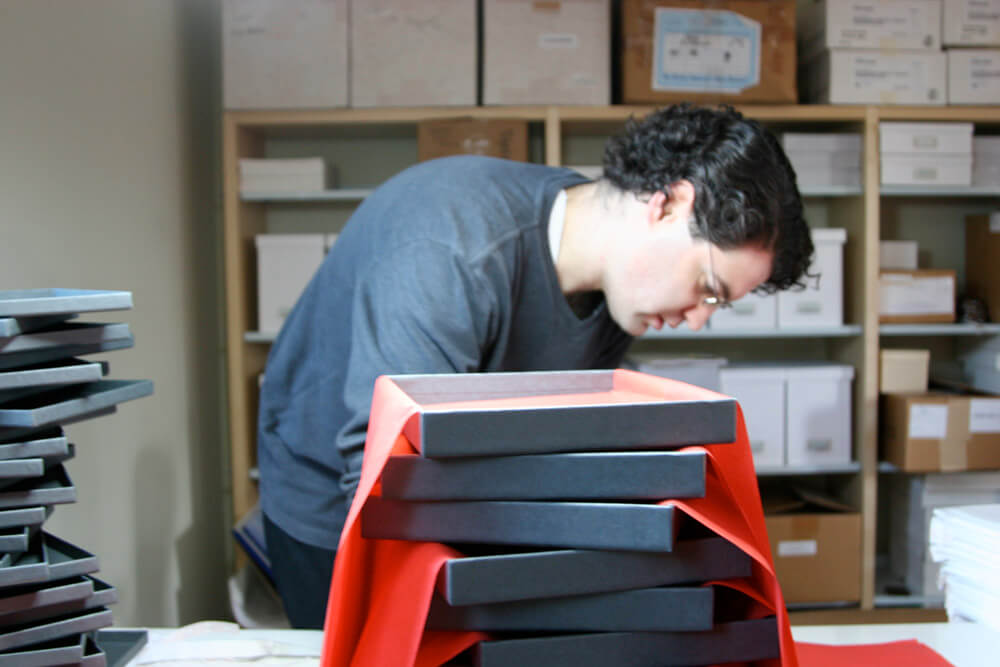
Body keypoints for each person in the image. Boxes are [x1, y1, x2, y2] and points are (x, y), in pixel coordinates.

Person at [256, 103, 814, 628]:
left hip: (468, 498)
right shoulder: (452, 246)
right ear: (668, 204)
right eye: (707, 289)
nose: (697, 320)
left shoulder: (618, 291)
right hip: (339, 506)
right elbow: (383, 477)